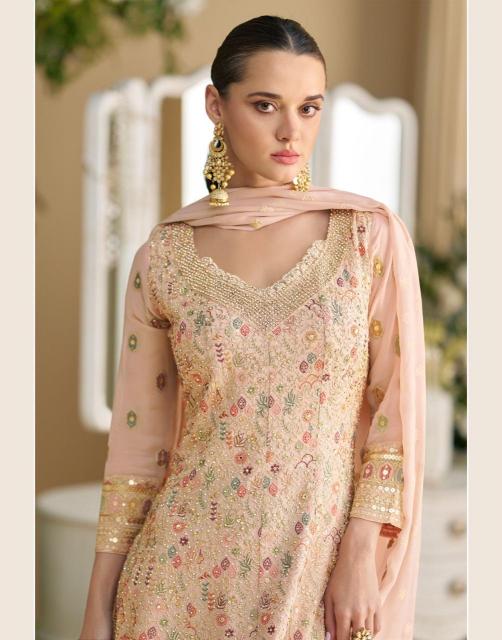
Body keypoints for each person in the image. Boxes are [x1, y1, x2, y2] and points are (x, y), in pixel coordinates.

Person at [80, 15, 426, 640]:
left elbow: (394, 414)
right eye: (266, 105)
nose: (292, 131)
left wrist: (360, 550)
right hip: (173, 587)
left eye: (309, 108)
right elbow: (136, 451)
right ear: (216, 105)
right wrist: (98, 610)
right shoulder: (164, 257)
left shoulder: (366, 238)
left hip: (318, 579)